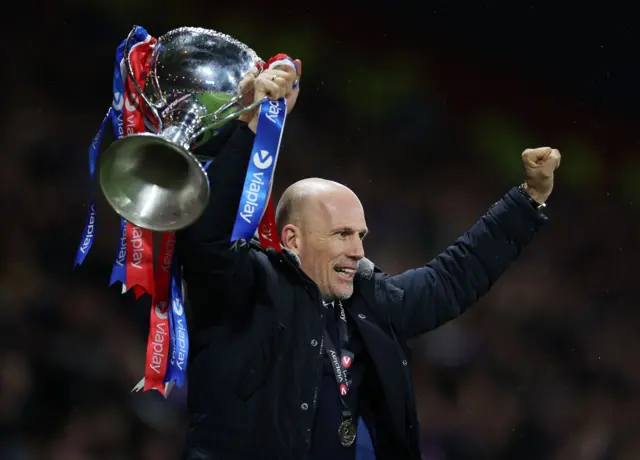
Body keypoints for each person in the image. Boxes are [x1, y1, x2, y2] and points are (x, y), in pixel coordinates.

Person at [175, 60, 561, 460]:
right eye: (342, 234)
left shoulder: (368, 302)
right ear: (292, 238)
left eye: (360, 236)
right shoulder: (247, 283)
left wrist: (528, 200)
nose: (358, 250)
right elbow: (205, 238)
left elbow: (450, 280)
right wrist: (250, 127)